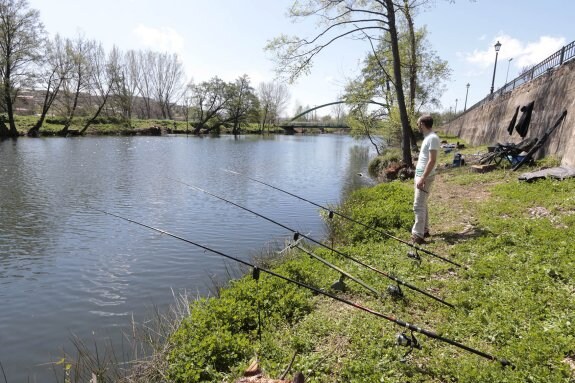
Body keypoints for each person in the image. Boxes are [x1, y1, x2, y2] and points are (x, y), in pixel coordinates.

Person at [411, 114, 440, 245]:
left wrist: (423, 177)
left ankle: (417, 236)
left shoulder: (432, 138)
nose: (418, 127)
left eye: (418, 124)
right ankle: (425, 229)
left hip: (425, 177)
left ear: (423, 124)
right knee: (423, 203)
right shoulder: (428, 138)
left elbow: (432, 160)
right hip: (420, 175)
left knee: (418, 206)